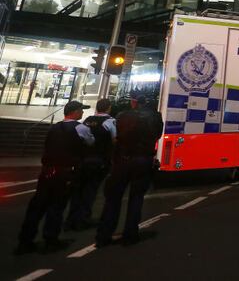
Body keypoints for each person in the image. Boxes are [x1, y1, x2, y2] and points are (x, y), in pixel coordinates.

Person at [15, 100, 94, 254]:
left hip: (47, 170)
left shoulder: (54, 127)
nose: (83, 113)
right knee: (57, 206)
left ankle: (25, 240)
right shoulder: (80, 128)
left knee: (37, 206)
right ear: (75, 112)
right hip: (65, 171)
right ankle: (50, 238)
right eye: (81, 110)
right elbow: (90, 142)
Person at [96, 97, 163, 247]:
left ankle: (103, 235)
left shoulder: (122, 115)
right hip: (143, 159)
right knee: (136, 198)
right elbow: (157, 135)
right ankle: (130, 234)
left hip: (123, 159)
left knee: (113, 199)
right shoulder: (155, 117)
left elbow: (116, 136)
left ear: (134, 102)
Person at [65, 98, 117, 231]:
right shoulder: (110, 121)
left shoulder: (87, 120)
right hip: (99, 161)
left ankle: (72, 218)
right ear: (109, 108)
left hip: (83, 160)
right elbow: (114, 140)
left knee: (78, 190)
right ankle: (83, 218)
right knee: (90, 190)